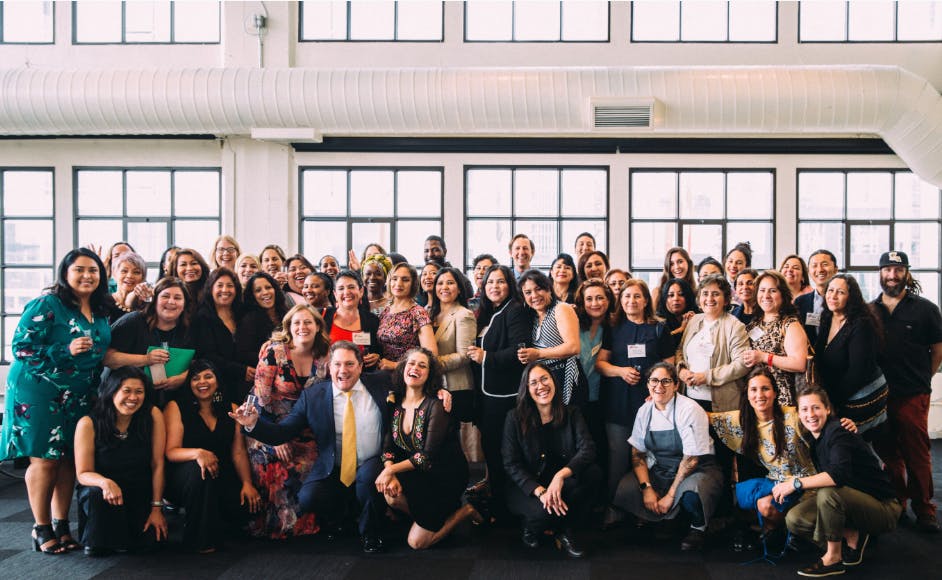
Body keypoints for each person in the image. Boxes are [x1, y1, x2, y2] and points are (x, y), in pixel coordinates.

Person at [230, 342, 393, 553]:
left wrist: (440, 392)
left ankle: (371, 533)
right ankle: (343, 517)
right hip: (334, 464)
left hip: (372, 461)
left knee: (367, 481)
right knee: (309, 497)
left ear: (361, 366)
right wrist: (253, 423)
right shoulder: (313, 396)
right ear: (328, 367)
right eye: (337, 364)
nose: (343, 370)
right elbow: (283, 431)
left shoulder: (381, 382)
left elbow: (415, 385)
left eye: (350, 364)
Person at [1, 248, 112, 554]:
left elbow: (102, 350)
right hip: (39, 391)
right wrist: (65, 350)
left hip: (79, 393)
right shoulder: (48, 304)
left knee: (68, 459)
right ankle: (40, 528)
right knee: (44, 458)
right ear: (65, 273)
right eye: (79, 269)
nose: (87, 275)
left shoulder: (101, 309)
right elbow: (21, 347)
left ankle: (61, 524)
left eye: (93, 270)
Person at [776, 386, 902, 578]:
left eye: (816, 408)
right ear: (798, 413)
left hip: (884, 507)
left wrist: (795, 483)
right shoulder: (814, 437)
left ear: (827, 409)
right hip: (852, 501)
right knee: (795, 519)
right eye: (804, 409)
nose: (810, 414)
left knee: (828, 493)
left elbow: (837, 476)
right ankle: (852, 535)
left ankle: (833, 558)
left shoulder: (838, 431)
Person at [375, 349, 481, 549]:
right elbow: (388, 447)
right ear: (403, 368)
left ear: (429, 374)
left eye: (422, 365)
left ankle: (464, 511)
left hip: (444, 476)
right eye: (411, 363)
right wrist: (390, 470)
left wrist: (390, 470)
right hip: (416, 473)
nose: (415, 368)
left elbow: (427, 457)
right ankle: (435, 517)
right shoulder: (394, 402)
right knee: (390, 494)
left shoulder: (437, 405)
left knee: (417, 543)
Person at [612, 363, 723, 551]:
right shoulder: (644, 411)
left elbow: (691, 459)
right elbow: (637, 452)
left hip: (697, 469)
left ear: (676, 385)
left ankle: (698, 528)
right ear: (647, 384)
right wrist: (646, 488)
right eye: (654, 381)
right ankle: (668, 519)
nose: (659, 386)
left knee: (691, 495)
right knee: (626, 488)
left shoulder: (689, 409)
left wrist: (670, 495)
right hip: (662, 468)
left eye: (666, 381)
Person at [870, 250, 942, 533]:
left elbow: (937, 350)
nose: (892, 275)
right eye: (887, 270)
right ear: (880, 274)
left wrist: (925, 376)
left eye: (898, 270)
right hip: (879, 395)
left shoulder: (925, 309)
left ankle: (924, 508)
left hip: (913, 393)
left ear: (906, 273)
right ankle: (898, 501)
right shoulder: (870, 309)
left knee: (917, 452)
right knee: (889, 454)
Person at [245, 305, 329, 539]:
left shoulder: (326, 353)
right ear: (289, 328)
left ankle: (308, 525)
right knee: (277, 462)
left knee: (315, 461)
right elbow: (261, 400)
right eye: (297, 323)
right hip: (268, 424)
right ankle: (278, 526)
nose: (302, 327)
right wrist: (276, 438)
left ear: (317, 327)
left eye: (308, 322)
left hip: (307, 427)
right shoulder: (274, 352)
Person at [502, 362, 600, 558]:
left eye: (545, 379)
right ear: (527, 389)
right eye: (534, 383)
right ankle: (532, 527)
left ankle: (565, 529)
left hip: (561, 484)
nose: (541, 386)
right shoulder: (514, 418)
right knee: (542, 514)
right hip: (529, 487)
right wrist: (541, 492)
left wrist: (561, 476)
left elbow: (588, 449)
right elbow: (511, 464)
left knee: (594, 474)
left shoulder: (572, 413)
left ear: (554, 381)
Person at [164, 360, 260, 553]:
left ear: (217, 380)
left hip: (220, 472)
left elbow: (238, 451)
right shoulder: (175, 407)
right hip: (185, 476)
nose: (202, 382)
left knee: (243, 510)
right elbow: (171, 451)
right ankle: (199, 540)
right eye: (195, 378)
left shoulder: (231, 406)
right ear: (189, 383)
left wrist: (247, 483)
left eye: (208, 376)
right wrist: (198, 453)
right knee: (200, 472)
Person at [710, 367, 817, 540]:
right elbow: (705, 415)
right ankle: (776, 533)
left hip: (806, 483)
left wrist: (844, 423)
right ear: (747, 394)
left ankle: (791, 531)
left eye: (765, 389)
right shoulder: (743, 420)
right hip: (777, 483)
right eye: (754, 390)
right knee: (762, 504)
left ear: (775, 393)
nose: (759, 395)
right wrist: (661, 400)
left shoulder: (793, 415)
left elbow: (820, 418)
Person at [73, 366, 167, 557]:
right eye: (126, 391)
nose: (133, 398)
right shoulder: (88, 423)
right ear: (111, 391)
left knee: (152, 543)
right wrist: (104, 482)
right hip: (103, 494)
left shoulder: (152, 414)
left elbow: (158, 464)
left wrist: (157, 508)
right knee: (98, 548)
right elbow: (83, 473)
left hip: (138, 489)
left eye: (139, 392)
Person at [596, 279, 675, 497]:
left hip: (651, 405)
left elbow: (670, 366)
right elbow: (600, 364)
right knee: (618, 459)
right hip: (618, 404)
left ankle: (647, 508)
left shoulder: (659, 328)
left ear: (646, 300)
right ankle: (615, 507)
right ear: (620, 300)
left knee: (649, 459)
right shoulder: (612, 328)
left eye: (637, 296)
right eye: (627, 296)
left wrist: (658, 392)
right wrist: (621, 371)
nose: (632, 300)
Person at [466, 264, 530, 521]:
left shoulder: (514, 311)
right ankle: (499, 502)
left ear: (510, 285)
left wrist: (486, 357)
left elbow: (519, 351)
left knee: (503, 452)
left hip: (505, 396)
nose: (494, 286)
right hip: (486, 395)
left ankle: (506, 510)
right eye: (490, 282)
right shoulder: (487, 312)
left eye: (501, 281)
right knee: (490, 450)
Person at [814, 274, 887, 436]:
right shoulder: (827, 316)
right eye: (830, 290)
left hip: (862, 395)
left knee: (849, 442)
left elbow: (858, 372)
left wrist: (831, 400)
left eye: (840, 292)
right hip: (838, 391)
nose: (833, 296)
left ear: (851, 297)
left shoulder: (861, 323)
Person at [105, 277, 194, 406]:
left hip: (171, 398)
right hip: (127, 398)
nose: (171, 302)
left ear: (185, 304)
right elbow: (107, 358)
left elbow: (198, 363)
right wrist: (146, 359)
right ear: (155, 300)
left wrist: (182, 378)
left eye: (178, 298)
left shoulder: (188, 329)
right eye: (165, 296)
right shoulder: (133, 321)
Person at [675, 274, 750, 413]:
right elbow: (680, 350)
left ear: (726, 300)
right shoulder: (694, 321)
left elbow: (742, 364)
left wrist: (706, 377)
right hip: (689, 399)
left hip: (721, 404)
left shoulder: (735, 326)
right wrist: (682, 371)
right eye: (705, 294)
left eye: (715, 294)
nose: (709, 299)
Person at [428, 267, 478, 454]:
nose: (444, 287)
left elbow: (465, 355)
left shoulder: (463, 314)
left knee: (451, 444)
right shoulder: (428, 313)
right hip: (433, 386)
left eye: (450, 283)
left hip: (456, 387)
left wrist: (432, 365)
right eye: (440, 283)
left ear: (459, 288)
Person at [741, 270, 809, 407]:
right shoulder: (754, 324)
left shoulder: (790, 324)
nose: (766, 296)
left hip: (782, 401)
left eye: (772, 291)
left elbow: (799, 364)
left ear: (782, 294)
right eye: (762, 290)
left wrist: (765, 357)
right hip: (756, 399)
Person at [517, 270, 582, 406]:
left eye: (538, 289)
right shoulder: (533, 316)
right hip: (544, 382)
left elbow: (573, 347)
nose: (534, 295)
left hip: (565, 376)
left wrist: (538, 353)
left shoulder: (561, 308)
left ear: (548, 288)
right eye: (528, 292)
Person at [193, 268, 253, 402]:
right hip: (218, 386)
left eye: (230, 286)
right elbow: (207, 355)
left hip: (246, 385)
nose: (225, 290)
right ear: (211, 289)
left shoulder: (242, 314)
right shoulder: (202, 317)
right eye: (219, 285)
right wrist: (241, 370)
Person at [377, 263, 438, 371]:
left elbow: (432, 356)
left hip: (408, 376)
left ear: (413, 284)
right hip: (384, 375)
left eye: (405, 280)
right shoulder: (385, 311)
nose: (398, 283)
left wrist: (395, 365)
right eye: (394, 279)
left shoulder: (418, 313)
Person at [322, 270, 382, 368]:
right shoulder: (323, 316)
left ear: (361, 291)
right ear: (335, 294)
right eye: (341, 288)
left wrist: (376, 357)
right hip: (328, 378)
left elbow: (378, 352)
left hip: (362, 378)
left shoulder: (372, 321)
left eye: (351, 287)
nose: (346, 292)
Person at [236, 272, 290, 369]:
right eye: (258, 290)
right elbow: (244, 354)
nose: (265, 292)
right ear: (252, 295)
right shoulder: (248, 321)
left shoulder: (287, 314)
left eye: (268, 287)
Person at [795, 249, 839, 345]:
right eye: (814, 266)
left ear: (836, 269)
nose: (820, 269)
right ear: (809, 271)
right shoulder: (800, 302)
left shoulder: (846, 301)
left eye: (825, 264)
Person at [109, 251, 153, 323]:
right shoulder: (105, 302)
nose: (129, 276)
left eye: (136, 272)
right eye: (124, 271)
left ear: (143, 277)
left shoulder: (146, 305)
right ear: (114, 274)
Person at [655, 277, 697, 353]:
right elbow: (662, 346)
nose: (676, 299)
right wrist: (682, 328)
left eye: (681, 294)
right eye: (671, 295)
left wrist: (695, 322)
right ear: (665, 298)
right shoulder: (657, 321)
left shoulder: (696, 316)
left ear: (688, 297)